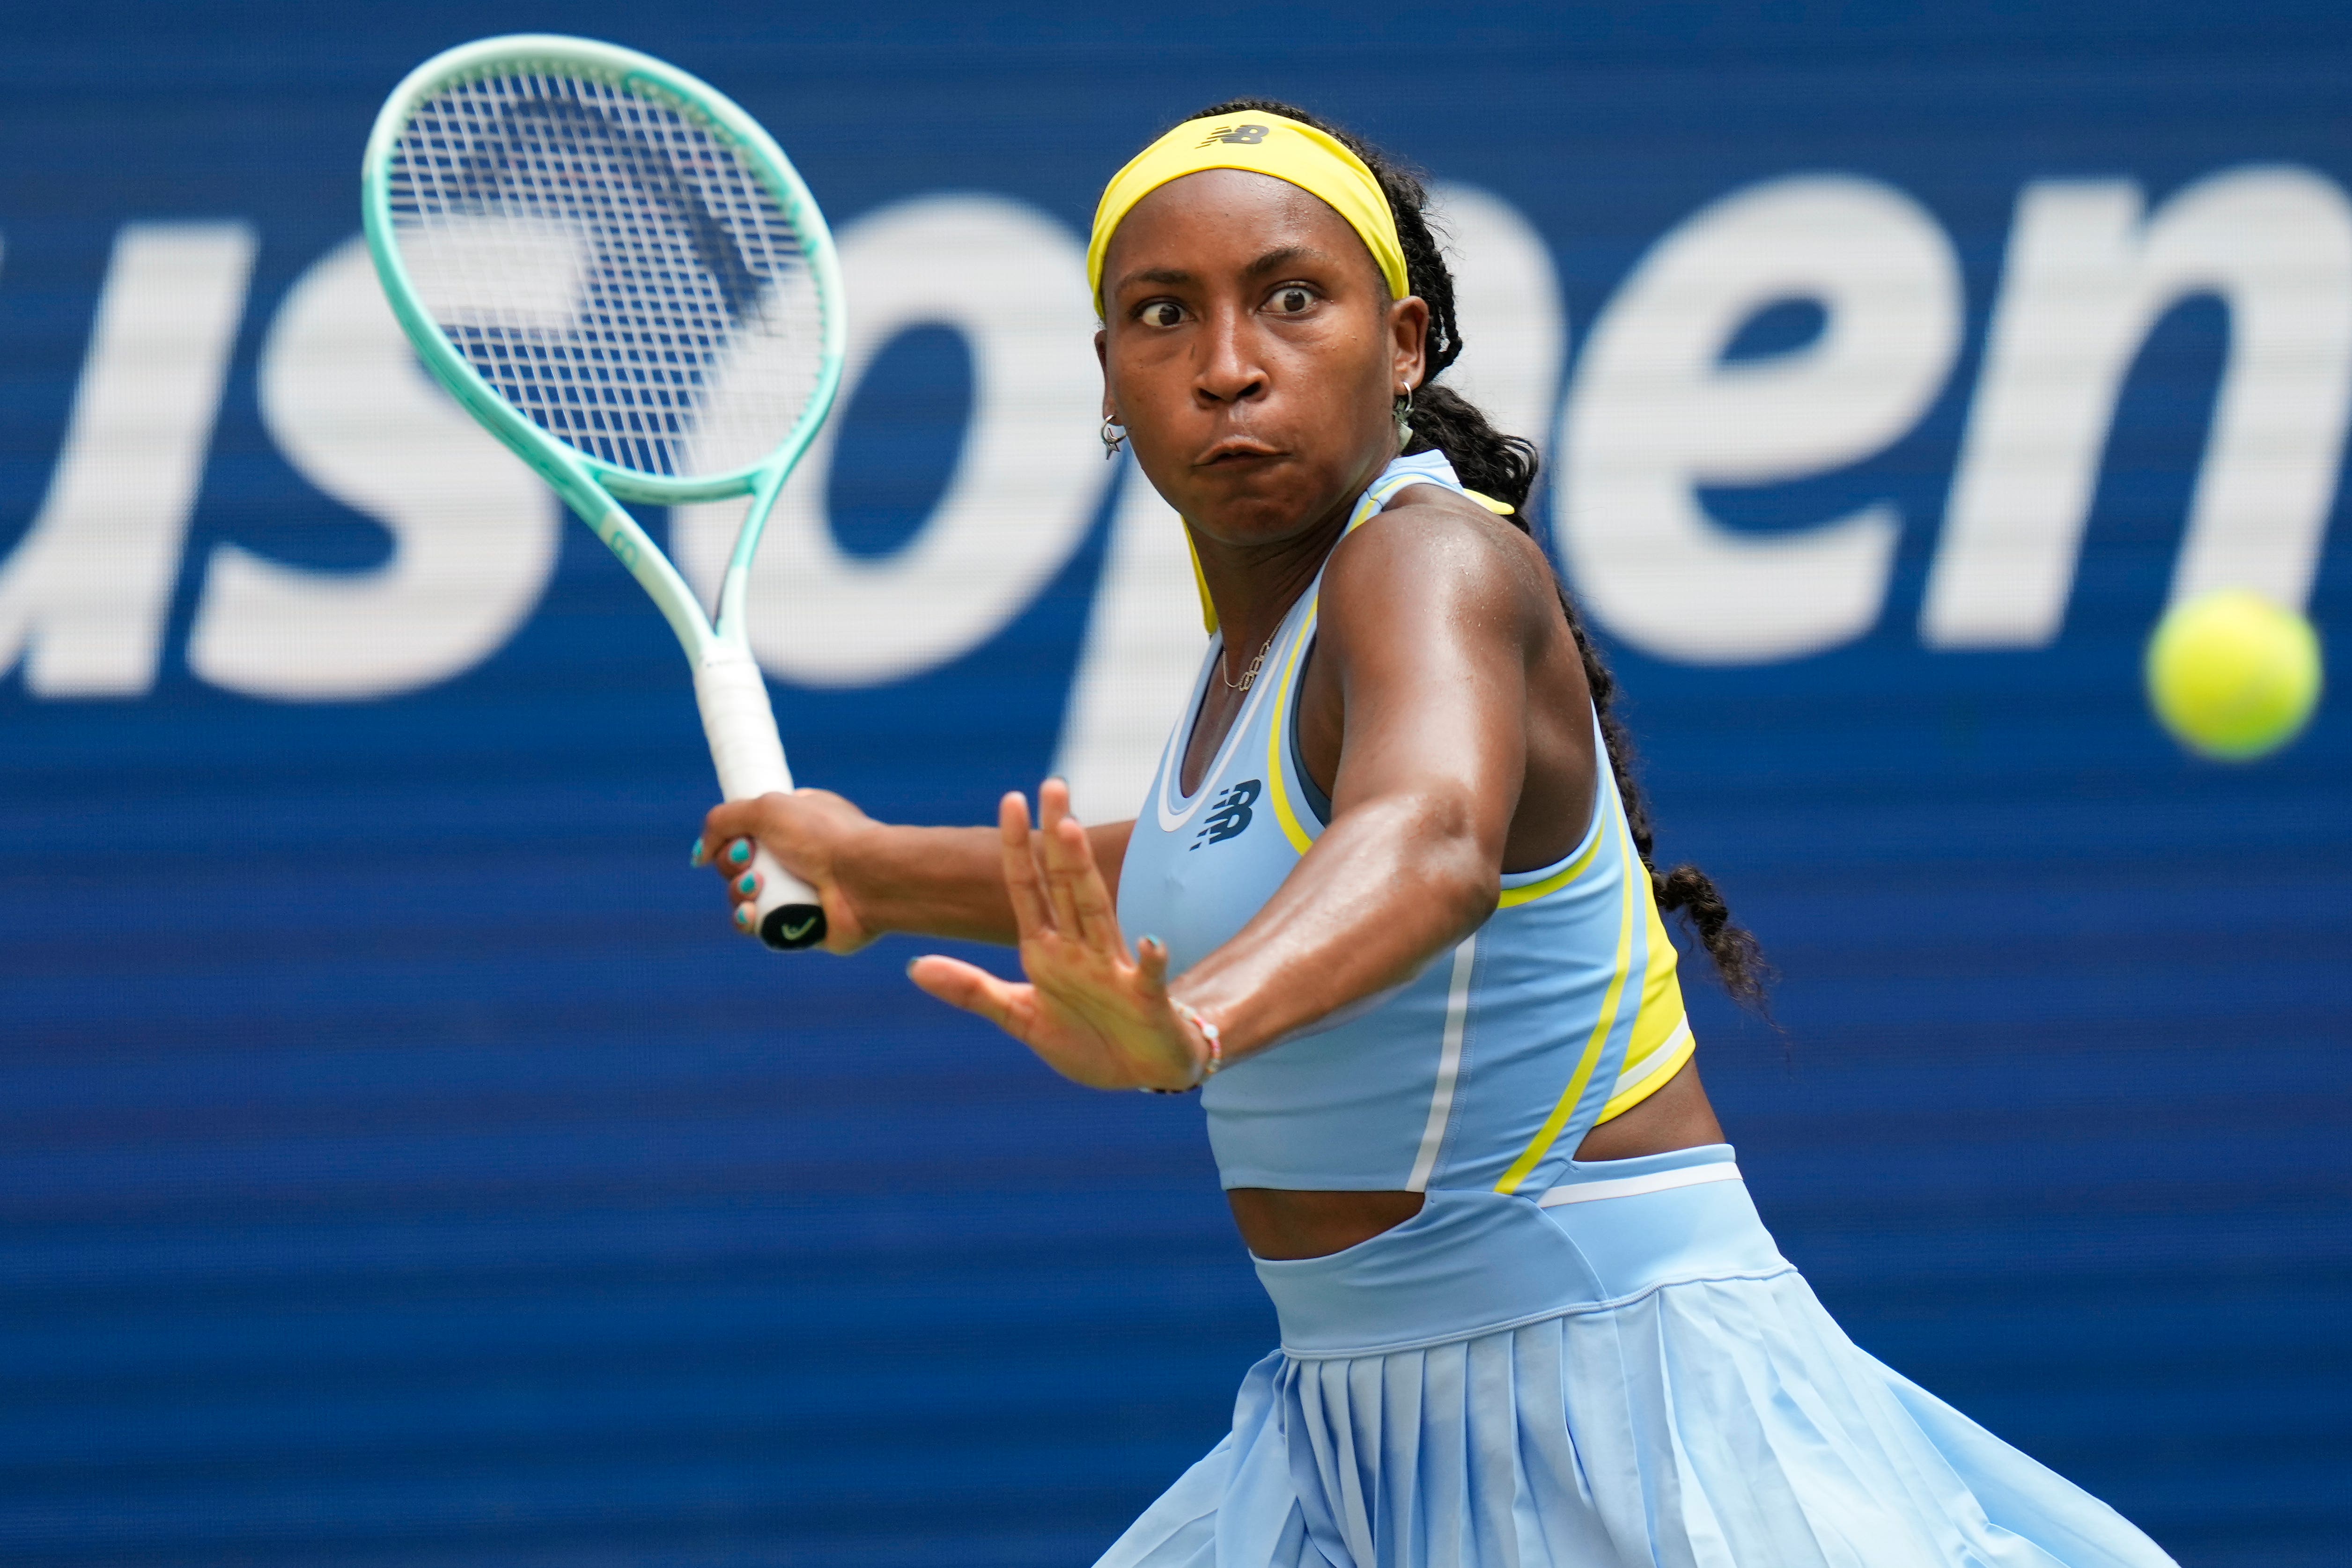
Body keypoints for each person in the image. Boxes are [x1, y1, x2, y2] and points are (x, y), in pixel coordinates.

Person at [698, 101, 2179, 1568]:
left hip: (1623, 1420)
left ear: (1401, 346)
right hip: (1346, 1438)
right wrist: (871, 871)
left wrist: (1190, 1030)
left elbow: (1430, 835)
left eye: (1291, 300)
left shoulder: (1432, 557)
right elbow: (1193, 863)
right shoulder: (1258, 651)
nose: (1228, 368)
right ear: (1108, 379)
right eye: (1165, 317)